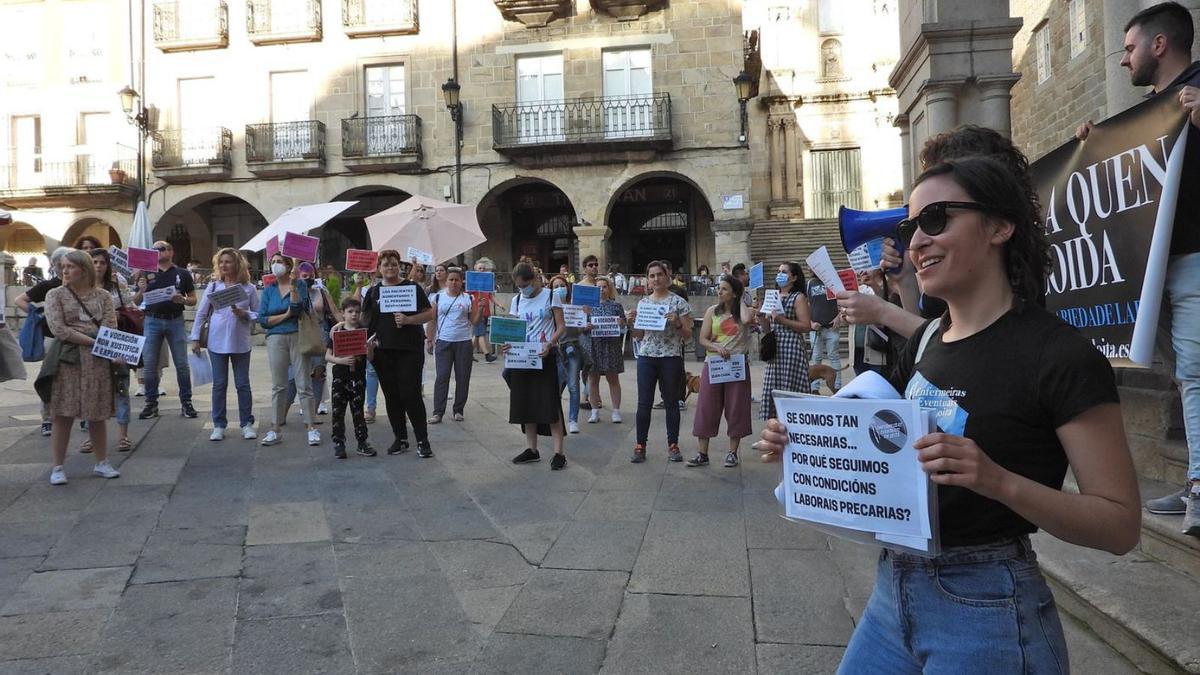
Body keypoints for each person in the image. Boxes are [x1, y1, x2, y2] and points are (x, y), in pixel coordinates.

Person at [760, 156, 1142, 672]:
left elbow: (1119, 527)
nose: (916, 242)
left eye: (937, 220)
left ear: (1000, 227)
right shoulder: (928, 342)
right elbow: (891, 449)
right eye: (911, 226)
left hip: (988, 609)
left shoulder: (1059, 356)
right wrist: (809, 446)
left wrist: (997, 480)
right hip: (893, 592)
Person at [1076, 1, 1200, 533]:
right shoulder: (1150, 111)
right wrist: (1097, 146)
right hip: (1152, 264)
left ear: (1159, 44)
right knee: (1182, 373)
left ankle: (1199, 486)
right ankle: (1197, 476)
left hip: (1194, 256)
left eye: (1129, 48)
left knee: (1195, 370)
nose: (1123, 60)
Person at [43, 250, 120, 485]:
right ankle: (57, 466)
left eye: (70, 267)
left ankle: (102, 461)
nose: (64, 271)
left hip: (97, 360)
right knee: (62, 412)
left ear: (84, 270)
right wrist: (92, 340)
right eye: (63, 267)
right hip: (69, 359)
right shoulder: (55, 294)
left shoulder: (103, 296)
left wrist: (104, 344)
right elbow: (59, 329)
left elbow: (110, 325)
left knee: (97, 412)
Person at [363, 250, 435, 457]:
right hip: (383, 351)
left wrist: (408, 320)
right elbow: (365, 320)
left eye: (394, 264)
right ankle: (400, 437)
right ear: (379, 268)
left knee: (410, 394)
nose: (390, 268)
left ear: (400, 266)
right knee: (392, 396)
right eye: (385, 265)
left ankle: (422, 439)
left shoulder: (411, 288)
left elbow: (429, 313)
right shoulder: (374, 292)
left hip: (409, 349)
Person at [190, 248, 258, 442]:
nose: (224, 265)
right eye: (221, 262)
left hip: (240, 342)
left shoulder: (249, 288)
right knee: (219, 384)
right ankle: (219, 424)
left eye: (228, 262)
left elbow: (259, 313)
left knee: (242, 384)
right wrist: (195, 338)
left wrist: (244, 314)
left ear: (237, 264)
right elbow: (202, 313)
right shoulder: (213, 287)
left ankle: (246, 423)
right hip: (216, 341)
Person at [628, 260, 692, 463]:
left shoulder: (678, 303)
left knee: (672, 403)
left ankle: (673, 444)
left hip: (670, 357)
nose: (656, 279)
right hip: (647, 357)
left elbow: (688, 334)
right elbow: (639, 335)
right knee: (644, 403)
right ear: (648, 280)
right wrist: (631, 324)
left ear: (667, 277)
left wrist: (678, 323)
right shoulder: (644, 303)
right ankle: (640, 445)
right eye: (652, 276)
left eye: (659, 274)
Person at [689, 274, 756, 468]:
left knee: (736, 408)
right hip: (715, 364)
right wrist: (716, 348)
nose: (719, 291)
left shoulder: (744, 311)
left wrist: (742, 298)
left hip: (737, 366)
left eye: (725, 289)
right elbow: (703, 338)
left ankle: (732, 452)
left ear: (734, 293)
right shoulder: (712, 311)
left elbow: (746, 319)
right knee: (706, 407)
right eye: (719, 288)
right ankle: (703, 453)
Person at [505, 262, 568, 470]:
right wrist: (507, 344)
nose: (523, 290)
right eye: (519, 286)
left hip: (544, 356)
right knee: (526, 403)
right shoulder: (516, 300)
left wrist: (550, 342)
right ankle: (532, 449)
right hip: (522, 358)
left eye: (525, 285)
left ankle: (559, 452)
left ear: (534, 279)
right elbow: (513, 328)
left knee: (550, 403)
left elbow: (561, 326)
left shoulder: (551, 296)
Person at [258, 254, 319, 447]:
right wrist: (285, 315)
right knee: (279, 384)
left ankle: (311, 427)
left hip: (297, 335)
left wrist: (293, 286)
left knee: (303, 382)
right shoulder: (269, 290)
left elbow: (297, 308)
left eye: (280, 262)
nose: (276, 265)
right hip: (275, 338)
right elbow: (262, 319)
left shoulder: (299, 285)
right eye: (273, 262)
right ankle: (275, 428)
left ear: (288, 265)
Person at [133, 240, 197, 420]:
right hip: (152, 320)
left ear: (171, 252)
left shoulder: (182, 273)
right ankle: (150, 403)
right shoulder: (145, 273)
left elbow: (193, 299)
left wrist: (183, 300)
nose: (158, 252)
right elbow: (136, 301)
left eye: (162, 249)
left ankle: (186, 402)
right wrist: (141, 289)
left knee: (182, 364)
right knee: (150, 364)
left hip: (175, 320)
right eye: (154, 250)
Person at [758, 262, 811, 457]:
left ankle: (795, 435)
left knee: (790, 389)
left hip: (791, 348)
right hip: (776, 347)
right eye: (778, 271)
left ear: (794, 277)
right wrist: (762, 318)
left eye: (784, 272)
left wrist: (781, 319)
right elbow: (767, 328)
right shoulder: (773, 296)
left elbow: (805, 326)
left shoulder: (798, 297)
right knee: (773, 388)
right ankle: (773, 436)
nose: (780, 274)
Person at [15, 247, 70, 436]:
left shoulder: (80, 284)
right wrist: (39, 315)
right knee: (49, 378)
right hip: (52, 339)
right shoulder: (48, 286)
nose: (68, 268)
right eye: (64, 264)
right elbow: (20, 300)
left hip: (76, 338)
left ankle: (79, 416)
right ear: (56, 265)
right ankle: (47, 419)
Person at [89, 249, 135, 453]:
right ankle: (92, 437)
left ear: (108, 266)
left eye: (102, 262)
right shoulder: (80, 288)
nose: (98, 266)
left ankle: (123, 435)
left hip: (116, 340)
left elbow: (132, 306)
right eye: (94, 262)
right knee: (91, 390)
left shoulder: (117, 285)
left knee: (121, 387)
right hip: (90, 342)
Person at [427, 267, 481, 424]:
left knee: (463, 377)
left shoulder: (468, 299)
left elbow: (474, 321)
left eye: (457, 279)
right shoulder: (438, 297)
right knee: (442, 376)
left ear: (461, 281)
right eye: (451, 279)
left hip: (464, 342)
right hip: (444, 341)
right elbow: (432, 319)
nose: (454, 282)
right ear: (446, 281)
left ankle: (458, 409)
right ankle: (438, 412)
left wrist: (481, 308)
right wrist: (430, 339)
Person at [286, 262, 339, 416]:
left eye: (311, 276)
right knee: (296, 375)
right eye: (304, 276)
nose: (308, 278)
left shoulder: (322, 291)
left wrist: (344, 324)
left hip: (320, 335)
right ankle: (286, 411)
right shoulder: (295, 290)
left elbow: (334, 310)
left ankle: (314, 409)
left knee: (318, 373)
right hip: (300, 335)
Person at [326, 296, 374, 459]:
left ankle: (362, 442)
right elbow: (328, 355)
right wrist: (340, 360)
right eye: (350, 311)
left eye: (357, 312)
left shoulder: (364, 332)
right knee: (338, 411)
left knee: (358, 411)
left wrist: (370, 348)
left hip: (358, 377)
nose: (354, 315)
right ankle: (339, 443)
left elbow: (370, 358)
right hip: (340, 377)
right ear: (343, 313)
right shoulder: (338, 332)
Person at [586, 276, 625, 424]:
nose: (601, 290)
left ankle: (616, 411)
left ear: (609, 289)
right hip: (594, 346)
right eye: (598, 287)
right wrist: (586, 326)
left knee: (613, 379)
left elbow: (623, 326)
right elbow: (580, 326)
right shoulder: (588, 307)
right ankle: (594, 411)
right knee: (593, 379)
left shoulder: (616, 306)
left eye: (604, 287)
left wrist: (621, 322)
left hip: (611, 346)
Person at [548, 275, 584, 434]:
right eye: (555, 286)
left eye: (562, 285)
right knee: (555, 387)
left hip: (573, 348)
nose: (559, 289)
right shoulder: (549, 309)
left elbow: (580, 330)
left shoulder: (574, 306)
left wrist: (584, 318)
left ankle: (573, 420)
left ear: (567, 288)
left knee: (573, 385)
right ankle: (554, 418)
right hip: (556, 350)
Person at [806, 267, 843, 392]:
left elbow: (843, 301)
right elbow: (806, 305)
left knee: (834, 356)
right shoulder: (809, 284)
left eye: (811, 267)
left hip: (831, 327)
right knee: (816, 357)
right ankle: (814, 388)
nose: (808, 269)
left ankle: (837, 387)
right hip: (815, 328)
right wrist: (810, 323)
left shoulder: (832, 282)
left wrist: (839, 317)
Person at [470, 261, 499, 363]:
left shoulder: (487, 283)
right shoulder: (473, 283)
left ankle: (468, 354)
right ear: (475, 270)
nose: (482, 270)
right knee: (481, 333)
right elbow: (468, 294)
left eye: (483, 268)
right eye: (480, 268)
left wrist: (499, 304)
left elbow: (491, 296)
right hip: (477, 312)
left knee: (477, 334)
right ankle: (487, 354)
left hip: (486, 312)